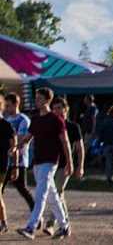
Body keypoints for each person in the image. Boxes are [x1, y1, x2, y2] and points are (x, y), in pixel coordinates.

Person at [15, 87, 72, 239]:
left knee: (40, 194)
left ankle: (31, 227)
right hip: (38, 162)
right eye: (36, 98)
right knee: (52, 196)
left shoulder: (56, 120)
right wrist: (16, 147)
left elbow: (65, 142)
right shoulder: (36, 119)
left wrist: (70, 163)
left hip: (50, 161)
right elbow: (28, 138)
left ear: (48, 100)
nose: (37, 100)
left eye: (40, 98)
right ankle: (64, 226)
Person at [44, 97, 83, 237]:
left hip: (64, 164)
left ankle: (51, 223)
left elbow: (80, 148)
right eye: (54, 109)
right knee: (55, 195)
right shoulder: (51, 126)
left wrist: (80, 166)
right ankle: (65, 223)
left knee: (58, 192)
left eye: (59, 108)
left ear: (66, 109)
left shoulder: (73, 127)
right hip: (50, 163)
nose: (56, 111)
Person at [2, 92, 34, 214]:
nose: (6, 108)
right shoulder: (6, 119)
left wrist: (8, 142)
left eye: (8, 105)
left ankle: (35, 212)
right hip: (5, 161)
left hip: (19, 160)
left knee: (22, 189)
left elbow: (21, 137)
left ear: (16, 104)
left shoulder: (23, 120)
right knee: (1, 189)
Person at [0, 112, 14, 233]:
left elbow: (14, 145)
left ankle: (4, 222)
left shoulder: (6, 125)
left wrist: (15, 166)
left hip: (1, 164)